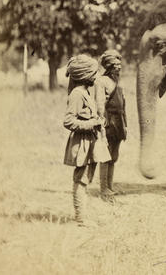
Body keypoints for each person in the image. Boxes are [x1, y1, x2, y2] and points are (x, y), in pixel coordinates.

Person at [63, 54, 110, 226]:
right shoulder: (77, 94)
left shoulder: (85, 92)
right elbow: (68, 121)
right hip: (82, 142)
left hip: (90, 141)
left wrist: (99, 121)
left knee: (86, 178)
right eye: (94, 73)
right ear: (84, 75)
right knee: (81, 179)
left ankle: (83, 215)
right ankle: (81, 219)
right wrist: (91, 124)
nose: (96, 77)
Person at [94, 49, 127, 203]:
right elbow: (100, 104)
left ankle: (110, 186)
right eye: (116, 65)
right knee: (105, 157)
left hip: (119, 123)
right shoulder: (101, 82)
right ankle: (103, 189)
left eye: (120, 65)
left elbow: (123, 106)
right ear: (108, 66)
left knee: (114, 156)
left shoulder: (117, 82)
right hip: (108, 123)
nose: (119, 68)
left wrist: (125, 125)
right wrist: (101, 123)